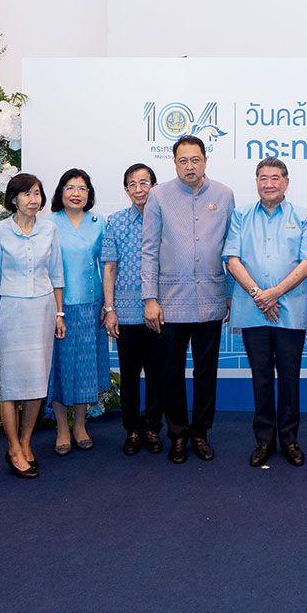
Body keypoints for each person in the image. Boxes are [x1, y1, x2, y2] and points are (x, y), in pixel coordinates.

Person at [142, 135, 235, 464]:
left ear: (205, 160)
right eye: (183, 160)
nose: (190, 166)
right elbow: (149, 249)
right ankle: (178, 434)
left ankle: (201, 432)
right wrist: (149, 297)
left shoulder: (224, 195)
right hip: (169, 301)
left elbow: (232, 249)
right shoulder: (158, 196)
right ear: (175, 162)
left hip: (210, 297)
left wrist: (231, 294)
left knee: (206, 372)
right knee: (171, 372)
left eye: (195, 159)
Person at [224, 157, 307, 468]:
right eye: (263, 178)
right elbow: (232, 259)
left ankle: (290, 440)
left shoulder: (305, 217)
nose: (269, 183)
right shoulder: (240, 216)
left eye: (275, 178)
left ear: (286, 182)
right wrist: (258, 294)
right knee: (261, 378)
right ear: (256, 183)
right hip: (252, 311)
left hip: (290, 311)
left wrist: (274, 294)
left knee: (290, 379)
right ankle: (264, 441)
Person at [0, 173, 65, 479]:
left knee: (36, 380)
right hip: (12, 312)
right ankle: (13, 446)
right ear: (14, 198)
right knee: (12, 383)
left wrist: (60, 313)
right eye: (27, 194)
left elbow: (56, 273)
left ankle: (27, 441)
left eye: (37, 194)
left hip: (43, 310)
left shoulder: (49, 230)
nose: (34, 200)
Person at [46, 169, 109, 455]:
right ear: (61, 192)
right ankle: (61, 427)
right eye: (70, 187)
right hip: (56, 305)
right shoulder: (48, 224)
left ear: (89, 194)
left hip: (90, 304)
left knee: (85, 367)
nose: (76, 193)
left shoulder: (99, 223)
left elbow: (108, 267)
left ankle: (80, 425)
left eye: (82, 188)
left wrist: (108, 306)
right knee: (59, 367)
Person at [103, 163, 163, 456]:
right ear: (126, 190)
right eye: (132, 184)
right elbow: (110, 268)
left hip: (159, 310)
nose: (139, 189)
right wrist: (109, 308)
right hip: (125, 312)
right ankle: (132, 429)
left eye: (144, 182)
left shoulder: (165, 219)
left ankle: (152, 428)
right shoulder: (114, 222)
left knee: (157, 374)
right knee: (129, 375)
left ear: (154, 185)